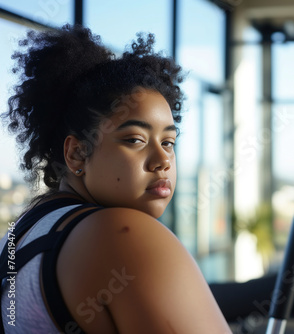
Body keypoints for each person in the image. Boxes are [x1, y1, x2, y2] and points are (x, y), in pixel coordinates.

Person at [0, 24, 232, 333]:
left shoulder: (21, 235)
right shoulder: (121, 232)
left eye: (168, 143)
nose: (162, 160)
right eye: (135, 139)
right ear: (77, 154)